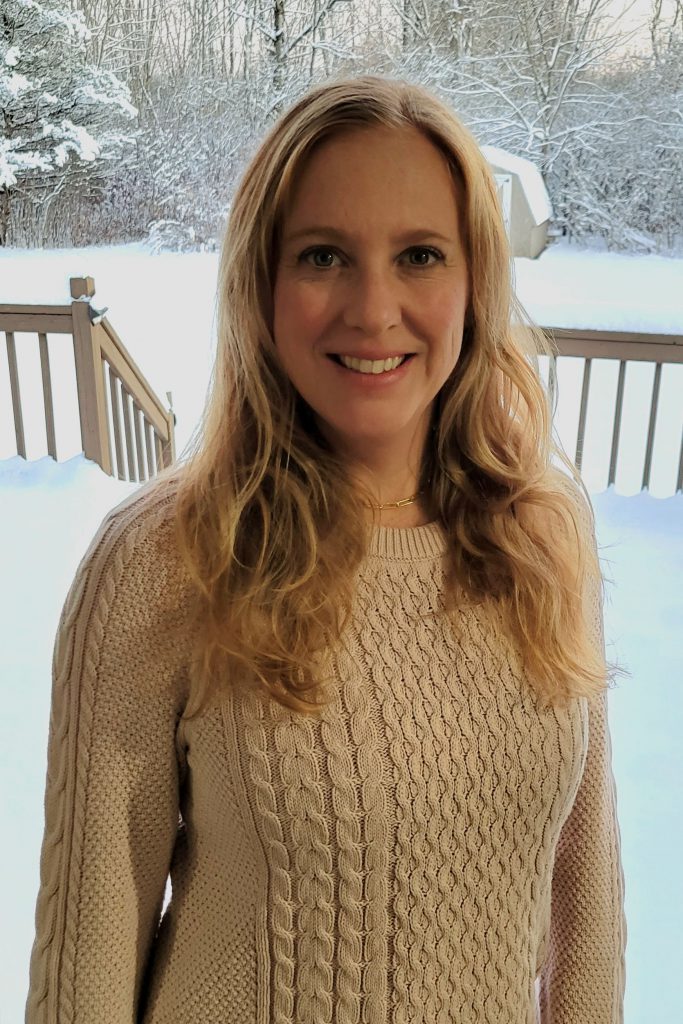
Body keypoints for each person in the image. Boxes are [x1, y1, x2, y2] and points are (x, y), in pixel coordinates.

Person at [24, 75, 627, 1024]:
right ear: (260, 284)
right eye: (322, 256)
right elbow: (88, 961)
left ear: (474, 281)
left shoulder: (544, 531)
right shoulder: (161, 562)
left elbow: (583, 887)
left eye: (420, 254)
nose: (374, 309)